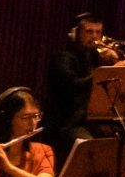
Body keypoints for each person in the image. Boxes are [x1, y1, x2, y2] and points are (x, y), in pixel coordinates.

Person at [40, 12, 117, 148]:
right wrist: (106, 73)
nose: (94, 36)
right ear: (75, 34)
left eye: (98, 32)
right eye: (89, 32)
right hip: (67, 123)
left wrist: (113, 64)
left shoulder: (98, 58)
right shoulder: (63, 58)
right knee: (90, 148)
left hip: (92, 120)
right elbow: (73, 86)